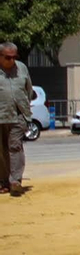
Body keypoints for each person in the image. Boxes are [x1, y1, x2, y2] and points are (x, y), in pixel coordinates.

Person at [0, 42, 31, 197]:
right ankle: (4, 181)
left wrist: (26, 109)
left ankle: (15, 181)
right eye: (7, 57)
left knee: (15, 146)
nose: (11, 60)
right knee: (1, 151)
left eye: (14, 57)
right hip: (1, 115)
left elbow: (28, 89)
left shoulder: (22, 68)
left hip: (19, 115)